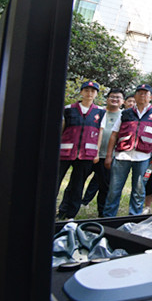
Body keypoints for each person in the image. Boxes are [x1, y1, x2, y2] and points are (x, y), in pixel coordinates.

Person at [103, 84, 152, 216]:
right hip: (121, 156)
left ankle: (134, 217)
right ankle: (108, 216)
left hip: (143, 157)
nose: (142, 96)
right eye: (139, 93)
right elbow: (114, 134)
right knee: (114, 189)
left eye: (145, 93)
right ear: (135, 96)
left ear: (150, 97)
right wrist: (109, 155)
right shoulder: (125, 113)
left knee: (139, 190)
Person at [57, 80, 106, 220]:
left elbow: (100, 133)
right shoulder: (69, 109)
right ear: (81, 92)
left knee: (77, 186)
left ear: (96, 94)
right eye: (86, 90)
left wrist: (96, 152)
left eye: (92, 91)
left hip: (86, 155)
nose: (89, 93)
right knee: (56, 181)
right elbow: (62, 128)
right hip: (65, 153)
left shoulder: (100, 112)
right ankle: (58, 210)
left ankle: (70, 213)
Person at [82, 88, 124, 217]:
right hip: (89, 154)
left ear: (122, 101)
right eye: (112, 97)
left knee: (105, 186)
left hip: (108, 156)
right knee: (77, 181)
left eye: (118, 97)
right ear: (107, 98)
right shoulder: (98, 112)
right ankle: (66, 210)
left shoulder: (124, 115)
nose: (114, 99)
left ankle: (102, 213)